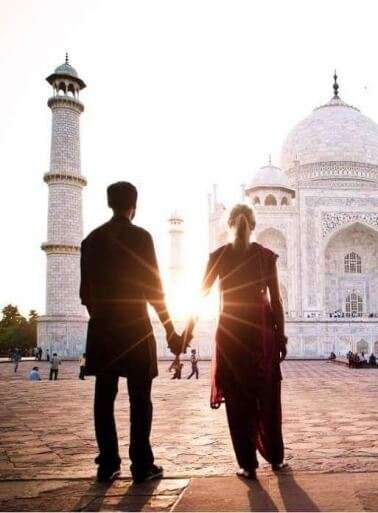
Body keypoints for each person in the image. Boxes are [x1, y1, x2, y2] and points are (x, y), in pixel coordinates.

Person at [80, 182, 182, 484]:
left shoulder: (91, 241)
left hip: (102, 328)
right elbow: (154, 290)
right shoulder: (141, 237)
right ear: (133, 206)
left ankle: (108, 462)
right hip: (135, 328)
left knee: (104, 396)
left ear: (109, 203)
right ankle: (141, 464)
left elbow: (85, 294)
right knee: (140, 398)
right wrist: (170, 331)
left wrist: (101, 319)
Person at [186, 204, 287, 480]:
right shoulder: (265, 257)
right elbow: (276, 301)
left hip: (231, 331)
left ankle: (247, 465)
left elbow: (200, 295)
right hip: (261, 330)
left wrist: (186, 330)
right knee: (267, 396)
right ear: (253, 225)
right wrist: (281, 336)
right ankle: (276, 459)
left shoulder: (219, 256)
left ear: (228, 224)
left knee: (237, 399)